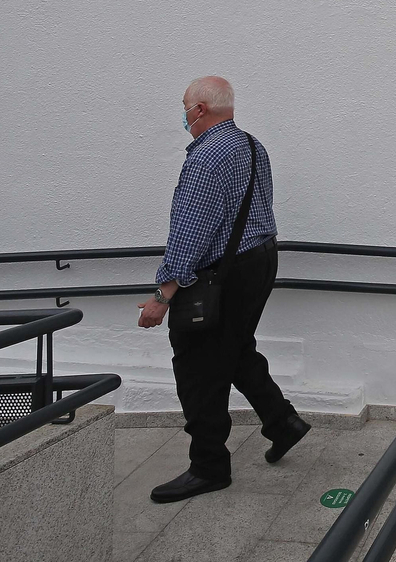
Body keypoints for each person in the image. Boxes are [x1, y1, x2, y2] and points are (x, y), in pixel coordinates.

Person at [136, 76, 310, 504]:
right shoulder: (251, 145)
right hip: (260, 261)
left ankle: (209, 467)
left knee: (198, 368)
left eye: (184, 108)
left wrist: (163, 297)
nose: (183, 116)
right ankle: (282, 422)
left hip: (223, 274)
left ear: (199, 110)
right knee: (233, 349)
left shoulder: (208, 156)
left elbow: (191, 232)